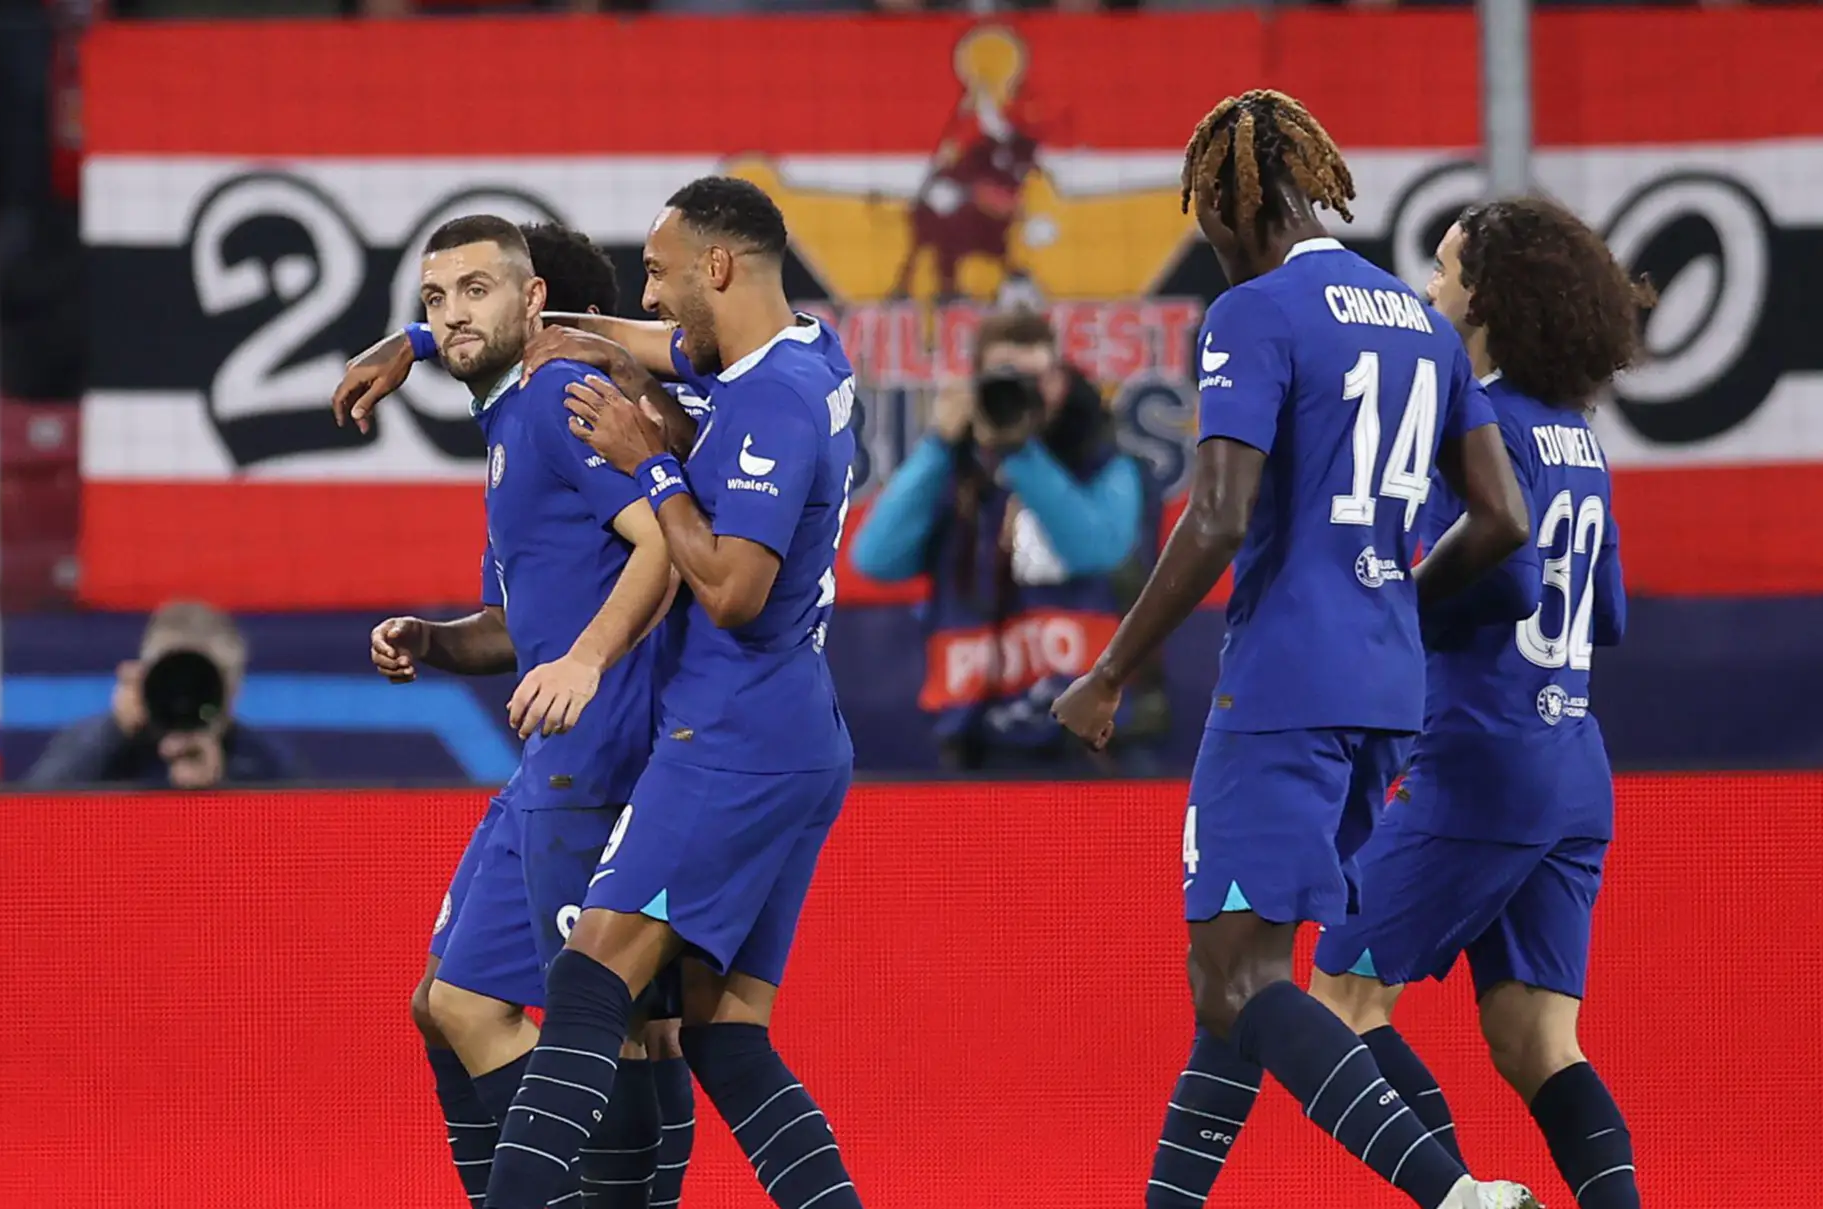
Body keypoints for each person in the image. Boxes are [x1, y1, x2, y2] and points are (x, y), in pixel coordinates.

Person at [1050, 90, 1539, 1209]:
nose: (1208, 244)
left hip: (1282, 679)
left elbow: (1217, 518)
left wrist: (1110, 670)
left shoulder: (1256, 313)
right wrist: (1396, 608)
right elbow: (1501, 518)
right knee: (1237, 982)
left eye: (1204, 220)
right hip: (1382, 683)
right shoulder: (1417, 321)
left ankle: (1456, 1195)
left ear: (1231, 205)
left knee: (1237, 972)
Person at [480, 176, 863, 1209]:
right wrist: (432, 343)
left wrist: (651, 464)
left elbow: (734, 591)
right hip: (797, 731)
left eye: (656, 273)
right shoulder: (798, 352)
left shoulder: (772, 402)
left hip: (735, 733)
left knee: (588, 984)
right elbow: (643, 347)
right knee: (722, 1034)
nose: (646, 300)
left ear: (718, 267)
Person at [1304, 198, 1647, 1208]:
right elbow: (1608, 616)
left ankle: (1462, 1199)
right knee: (1535, 1039)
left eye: (1445, 270)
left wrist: (1398, 609)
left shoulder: (1477, 418)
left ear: (1486, 299)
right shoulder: (1577, 439)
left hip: (1476, 763)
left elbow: (1501, 578)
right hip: (1571, 766)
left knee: (1338, 1002)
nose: (1428, 288)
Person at [364, 215, 678, 1209]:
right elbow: (520, 623)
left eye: (473, 293)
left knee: (616, 1027)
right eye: (432, 302)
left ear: (535, 302)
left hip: (596, 758)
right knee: (446, 1004)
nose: (450, 316)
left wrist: (587, 663)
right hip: (548, 762)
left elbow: (661, 540)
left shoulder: (554, 400)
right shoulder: (509, 419)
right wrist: (435, 639)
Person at [849, 306, 1152, 772]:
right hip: (973, 740)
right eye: (1005, 379)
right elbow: (875, 559)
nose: (1026, 393)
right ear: (975, 385)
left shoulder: (1102, 461)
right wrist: (939, 445)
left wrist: (1020, 453)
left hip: (1080, 740)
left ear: (1061, 380)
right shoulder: (952, 472)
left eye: (1037, 377)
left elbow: (1099, 550)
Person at [23, 599, 299, 789]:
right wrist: (112, 732)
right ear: (145, 679)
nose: (188, 697)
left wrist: (220, 790)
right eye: (176, 680)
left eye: (205, 684)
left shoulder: (264, 764)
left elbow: (297, 854)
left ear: (235, 689)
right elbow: (27, 819)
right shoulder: (100, 749)